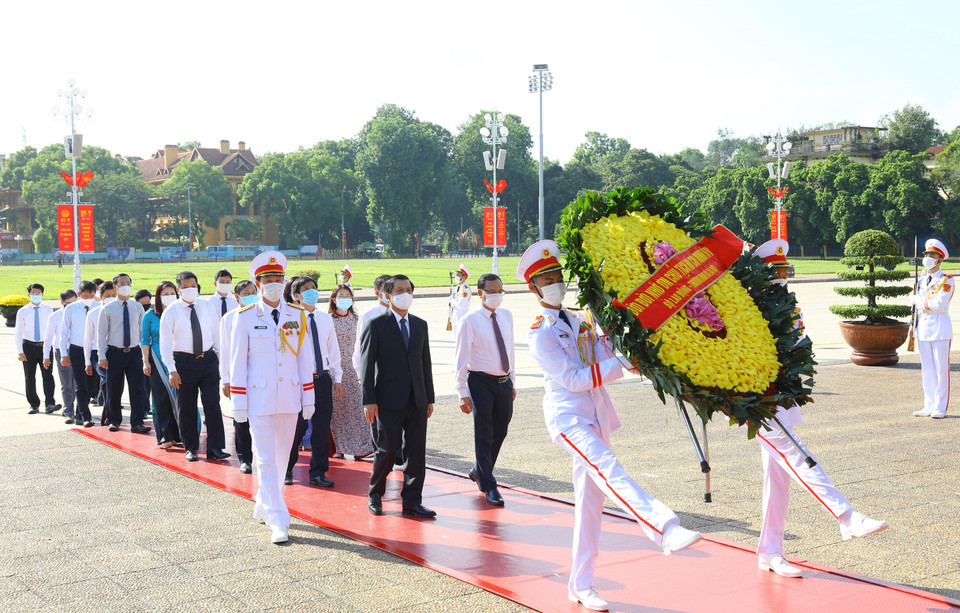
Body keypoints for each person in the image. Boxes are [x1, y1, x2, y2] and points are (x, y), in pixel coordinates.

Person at [519, 239, 701, 612]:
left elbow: (605, 352)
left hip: (596, 416)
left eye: (557, 276)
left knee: (590, 505)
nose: (555, 283)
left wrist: (636, 354)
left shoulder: (582, 318)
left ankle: (580, 584)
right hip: (569, 419)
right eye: (546, 279)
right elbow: (574, 379)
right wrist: (620, 362)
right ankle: (664, 528)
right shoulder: (540, 331)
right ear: (532, 288)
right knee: (609, 469)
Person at [752, 239, 889, 578]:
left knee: (778, 478)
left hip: (782, 396)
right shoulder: (750, 306)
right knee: (796, 453)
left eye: (785, 270)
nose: (782, 277)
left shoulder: (788, 304)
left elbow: (798, 344)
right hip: (757, 400)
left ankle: (770, 550)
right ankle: (846, 517)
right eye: (776, 271)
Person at [229, 251, 316, 544]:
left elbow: (306, 360)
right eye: (268, 280)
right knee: (266, 459)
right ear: (258, 283)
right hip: (258, 398)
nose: (274, 284)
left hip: (290, 396)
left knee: (282, 458)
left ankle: (264, 502)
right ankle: (279, 518)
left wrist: (309, 397)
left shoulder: (298, 315)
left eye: (279, 279)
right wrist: (238, 402)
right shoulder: (245, 317)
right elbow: (237, 363)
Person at [360, 274, 436, 518]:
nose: (405, 294)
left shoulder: (420, 324)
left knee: (416, 452)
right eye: (399, 290)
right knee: (387, 449)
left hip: (417, 399)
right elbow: (367, 365)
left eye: (409, 290)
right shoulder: (377, 324)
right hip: (387, 400)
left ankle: (412, 500)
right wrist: (368, 400)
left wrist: (429, 397)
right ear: (388, 295)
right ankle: (375, 494)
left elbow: (425, 364)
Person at [454, 273, 515, 506]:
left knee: (501, 429)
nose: (496, 296)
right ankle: (489, 485)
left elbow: (510, 349)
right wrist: (462, 392)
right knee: (484, 432)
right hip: (480, 382)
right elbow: (461, 358)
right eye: (491, 292)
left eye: (500, 291)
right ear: (480, 293)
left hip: (503, 381)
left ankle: (480, 470)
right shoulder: (469, 320)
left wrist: (513, 382)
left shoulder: (506, 316)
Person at [159, 271, 229, 462]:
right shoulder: (171, 311)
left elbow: (216, 336)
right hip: (183, 363)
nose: (190, 289)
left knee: (213, 405)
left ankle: (215, 448)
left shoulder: (207, 307)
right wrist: (171, 370)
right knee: (187, 407)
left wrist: (222, 365)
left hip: (208, 361)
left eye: (193, 285)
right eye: (185, 286)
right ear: (178, 289)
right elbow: (165, 344)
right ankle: (190, 447)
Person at [286, 276, 343, 487]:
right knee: (297, 428)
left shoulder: (325, 319)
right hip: (300, 382)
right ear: (297, 296)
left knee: (321, 429)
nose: (312, 292)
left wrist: (337, 378)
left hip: (323, 379)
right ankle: (286, 469)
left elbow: (333, 350)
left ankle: (318, 472)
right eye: (306, 289)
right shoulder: (289, 318)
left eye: (314, 288)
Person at [97, 273, 151, 434]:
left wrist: (144, 356)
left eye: (128, 283)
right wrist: (102, 355)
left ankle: (137, 422)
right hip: (115, 352)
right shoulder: (108, 308)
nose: (125, 286)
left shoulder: (137, 307)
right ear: (115, 287)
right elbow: (101, 333)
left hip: (134, 353)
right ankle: (114, 420)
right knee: (114, 389)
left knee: (138, 389)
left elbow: (143, 332)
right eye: (122, 283)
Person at [328, 284, 373, 459]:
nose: (345, 298)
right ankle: (338, 447)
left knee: (356, 408)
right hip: (336, 369)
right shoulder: (328, 320)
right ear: (334, 299)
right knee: (338, 410)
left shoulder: (357, 319)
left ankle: (361, 447)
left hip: (354, 368)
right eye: (341, 295)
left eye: (348, 295)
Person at [911, 238, 953, 419]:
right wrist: (913, 327)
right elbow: (918, 309)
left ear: (940, 259)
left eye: (932, 255)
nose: (927, 258)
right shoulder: (921, 280)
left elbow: (937, 303)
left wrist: (918, 301)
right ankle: (929, 404)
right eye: (926, 254)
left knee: (941, 368)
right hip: (924, 328)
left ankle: (940, 406)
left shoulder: (947, 280)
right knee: (927, 369)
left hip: (940, 326)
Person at [219, 279, 258, 473]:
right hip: (239, 377)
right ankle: (245, 458)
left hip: (261, 376)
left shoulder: (263, 314)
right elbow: (225, 351)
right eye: (246, 292)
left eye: (253, 291)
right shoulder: (229, 318)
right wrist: (225, 379)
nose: (251, 295)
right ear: (237, 297)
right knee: (241, 418)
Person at [142, 281, 181, 448]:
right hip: (157, 361)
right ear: (158, 297)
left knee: (181, 398)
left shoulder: (182, 312)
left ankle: (182, 434)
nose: (169, 297)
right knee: (161, 398)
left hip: (179, 358)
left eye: (172, 293)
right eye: (165, 294)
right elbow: (145, 340)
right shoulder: (150, 316)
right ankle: (166, 435)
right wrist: (145, 361)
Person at [59, 281, 99, 428]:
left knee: (91, 384)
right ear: (79, 294)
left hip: (94, 350)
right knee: (80, 384)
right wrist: (64, 353)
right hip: (77, 350)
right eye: (85, 295)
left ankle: (79, 413)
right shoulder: (71, 309)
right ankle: (85, 417)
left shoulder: (99, 308)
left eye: (91, 295)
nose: (88, 297)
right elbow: (64, 332)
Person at [15, 283, 58, 414]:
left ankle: (50, 403)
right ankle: (34, 404)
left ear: (43, 294)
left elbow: (53, 329)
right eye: (33, 293)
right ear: (28, 294)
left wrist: (55, 345)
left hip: (45, 347)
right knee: (29, 377)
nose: (36, 295)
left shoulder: (48, 310)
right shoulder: (22, 311)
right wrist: (20, 351)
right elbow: (18, 332)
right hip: (28, 346)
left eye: (38, 293)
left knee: (48, 375)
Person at [43, 289, 78, 423]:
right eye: (68, 304)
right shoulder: (55, 316)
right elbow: (48, 337)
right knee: (67, 383)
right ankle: (69, 411)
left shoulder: (81, 313)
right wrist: (46, 356)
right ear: (62, 302)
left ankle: (74, 408)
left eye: (74, 303)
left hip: (78, 350)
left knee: (78, 383)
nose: (72, 306)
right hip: (61, 352)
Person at [84, 281, 116, 420]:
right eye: (107, 295)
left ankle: (109, 413)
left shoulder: (121, 310)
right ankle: (109, 414)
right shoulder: (93, 313)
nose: (111, 297)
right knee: (107, 380)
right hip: (97, 353)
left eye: (113, 295)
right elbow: (88, 338)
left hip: (116, 352)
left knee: (112, 383)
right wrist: (87, 362)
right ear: (101, 296)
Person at [352, 274, 392, 377]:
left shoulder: (400, 312)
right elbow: (360, 345)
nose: (390, 293)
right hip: (376, 370)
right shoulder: (368, 315)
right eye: (386, 289)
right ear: (377, 293)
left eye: (392, 288)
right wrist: (360, 374)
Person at [448, 263, 471, 334]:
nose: (456, 277)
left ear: (464, 277)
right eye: (456, 275)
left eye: (458, 275)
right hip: (455, 316)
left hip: (462, 316)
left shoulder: (466, 289)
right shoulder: (458, 287)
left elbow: (460, 305)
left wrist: (452, 301)